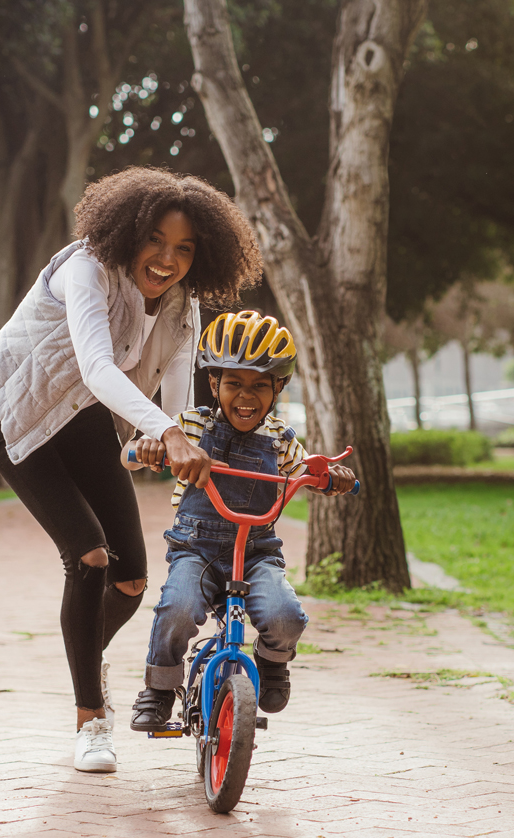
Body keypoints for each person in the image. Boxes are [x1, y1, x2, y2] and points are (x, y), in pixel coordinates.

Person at [0, 167, 262, 774]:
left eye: (184, 248)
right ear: (128, 231)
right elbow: (98, 367)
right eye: (155, 239)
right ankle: (91, 720)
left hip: (81, 420)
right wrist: (167, 432)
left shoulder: (183, 302)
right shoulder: (85, 268)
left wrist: (177, 433)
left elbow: (179, 384)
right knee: (89, 556)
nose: (166, 259)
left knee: (130, 579)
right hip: (11, 412)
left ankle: (84, 655)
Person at [123, 310, 356, 730]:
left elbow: (308, 469)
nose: (245, 396)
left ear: (278, 387)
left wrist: (330, 477)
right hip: (198, 549)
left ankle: (272, 662)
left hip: (256, 552)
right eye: (233, 383)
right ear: (214, 384)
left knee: (287, 615)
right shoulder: (192, 426)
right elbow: (129, 456)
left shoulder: (281, 439)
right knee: (176, 609)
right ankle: (159, 689)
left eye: (259, 385)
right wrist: (148, 449)